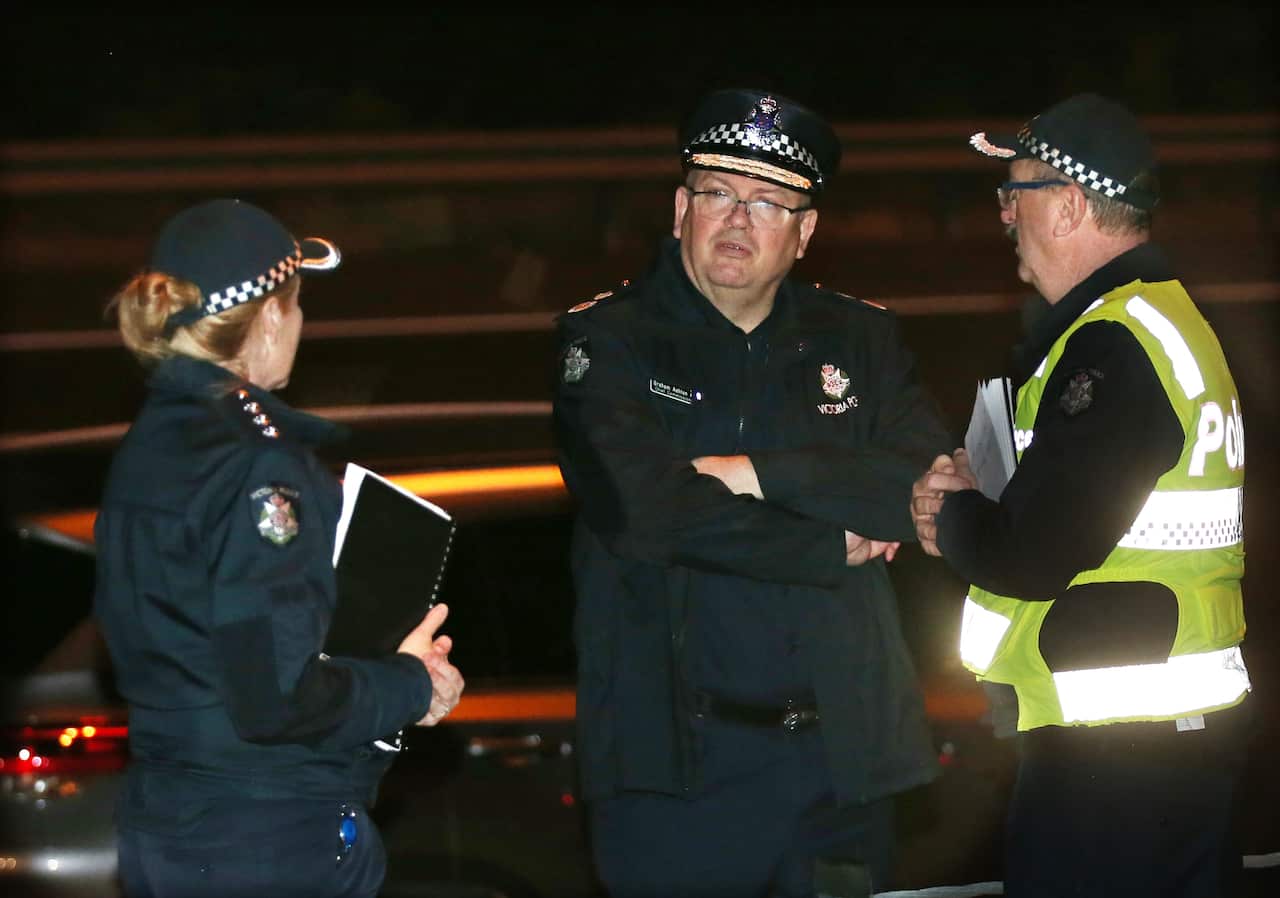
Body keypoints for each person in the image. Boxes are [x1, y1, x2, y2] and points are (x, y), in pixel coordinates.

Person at [552, 88, 952, 897]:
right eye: (717, 194)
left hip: (840, 771)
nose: (737, 221)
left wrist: (754, 473)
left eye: (769, 203)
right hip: (678, 779)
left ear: (805, 233)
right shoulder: (608, 340)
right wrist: (827, 537)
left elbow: (923, 484)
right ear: (679, 209)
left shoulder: (860, 340)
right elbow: (642, 510)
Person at [911, 93, 1253, 897]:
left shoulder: (1114, 344)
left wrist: (949, 512)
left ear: (1067, 206)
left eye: (1015, 190)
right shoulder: (1160, 324)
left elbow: (1033, 553)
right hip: (1164, 749)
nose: (1002, 213)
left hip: (1116, 764)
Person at [93, 198, 465, 898]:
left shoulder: (148, 446)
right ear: (268, 316)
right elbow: (275, 696)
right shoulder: (259, 463)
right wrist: (408, 683)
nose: (300, 323)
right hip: (264, 840)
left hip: (168, 822)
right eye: (297, 304)